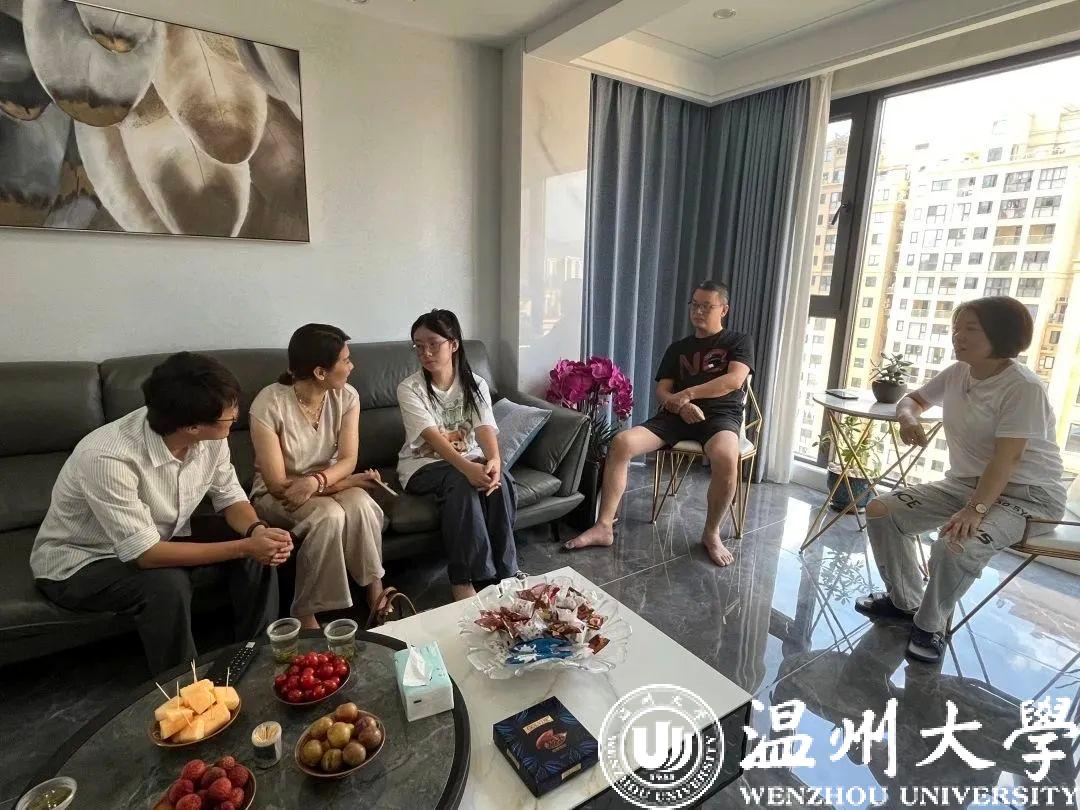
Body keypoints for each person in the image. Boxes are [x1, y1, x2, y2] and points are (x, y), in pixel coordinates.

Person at [30, 352, 292, 675]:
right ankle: (183, 688)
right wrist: (245, 547)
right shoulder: (107, 457)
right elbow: (147, 555)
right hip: (81, 562)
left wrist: (256, 533)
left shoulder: (209, 437)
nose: (236, 415)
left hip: (160, 532)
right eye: (230, 414)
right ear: (192, 426)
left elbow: (230, 498)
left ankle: (256, 656)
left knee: (260, 544)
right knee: (166, 584)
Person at [855, 296, 1067, 664]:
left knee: (954, 545)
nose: (958, 336)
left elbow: (1007, 458)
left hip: (1028, 496)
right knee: (881, 510)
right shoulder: (958, 372)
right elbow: (912, 400)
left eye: (970, 329)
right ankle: (905, 602)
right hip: (967, 484)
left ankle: (930, 625)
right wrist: (908, 418)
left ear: (1001, 335)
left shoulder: (1023, 387)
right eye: (957, 329)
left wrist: (975, 510)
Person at [565, 280, 754, 566]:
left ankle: (711, 533)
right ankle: (604, 526)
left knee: (727, 457)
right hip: (675, 416)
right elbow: (663, 391)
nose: (698, 311)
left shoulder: (737, 342)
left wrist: (688, 394)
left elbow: (734, 380)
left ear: (724, 310)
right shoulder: (678, 349)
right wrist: (681, 405)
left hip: (720, 416)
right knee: (622, 442)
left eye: (707, 306)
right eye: (695, 304)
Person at [249, 324, 388, 630]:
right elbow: (277, 485)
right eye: (345, 361)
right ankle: (306, 609)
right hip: (276, 494)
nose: (352, 367)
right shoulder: (269, 403)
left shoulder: (347, 396)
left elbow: (348, 459)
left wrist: (319, 482)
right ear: (320, 372)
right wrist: (342, 483)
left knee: (362, 504)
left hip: (324, 482)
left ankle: (374, 590)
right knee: (328, 516)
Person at [397, 309, 518, 601]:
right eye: (418, 346)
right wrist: (467, 468)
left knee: (501, 481)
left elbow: (485, 428)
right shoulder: (410, 388)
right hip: (422, 466)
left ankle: (507, 573)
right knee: (462, 483)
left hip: (467, 460)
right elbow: (433, 439)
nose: (425, 353)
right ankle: (463, 580)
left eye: (433, 344)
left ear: (453, 344)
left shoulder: (475, 383)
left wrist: (494, 461)